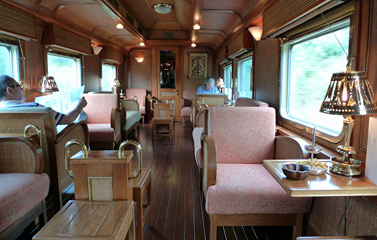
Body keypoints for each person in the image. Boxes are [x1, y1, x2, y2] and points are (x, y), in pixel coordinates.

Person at [0, 74, 87, 125]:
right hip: (43, 151)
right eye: (19, 86)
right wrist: (79, 105)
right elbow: (67, 119)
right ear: (10, 91)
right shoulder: (36, 108)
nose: (22, 89)